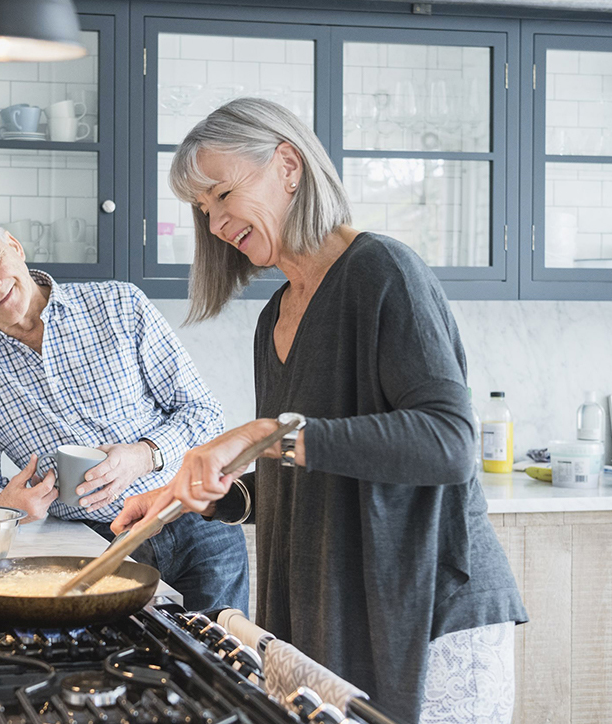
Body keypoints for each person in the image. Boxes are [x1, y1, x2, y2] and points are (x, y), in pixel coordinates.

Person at [111, 98, 527, 724]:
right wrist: (207, 496)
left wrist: (264, 433)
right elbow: (303, 469)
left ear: (288, 165)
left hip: (426, 616)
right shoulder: (273, 318)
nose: (217, 222)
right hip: (336, 616)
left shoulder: (382, 272)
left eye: (223, 193)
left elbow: (448, 442)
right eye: (203, 209)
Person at [0, 213, 250, 612]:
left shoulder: (120, 304)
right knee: (125, 665)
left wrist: (143, 454)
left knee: (220, 660)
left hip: (197, 518)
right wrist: (4, 506)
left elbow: (204, 413)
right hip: (98, 542)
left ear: (15, 246)